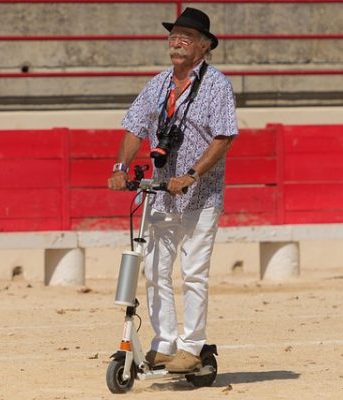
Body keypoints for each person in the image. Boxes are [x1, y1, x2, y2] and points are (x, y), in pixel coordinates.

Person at [107, 7, 238, 373]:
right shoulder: (160, 83)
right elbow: (135, 126)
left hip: (200, 194)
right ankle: (164, 342)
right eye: (174, 35)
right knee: (155, 268)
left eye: (187, 37)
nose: (177, 42)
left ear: (204, 46)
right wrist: (120, 167)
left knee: (193, 272)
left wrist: (192, 174)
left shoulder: (217, 85)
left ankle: (192, 345)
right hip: (161, 191)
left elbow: (224, 137)